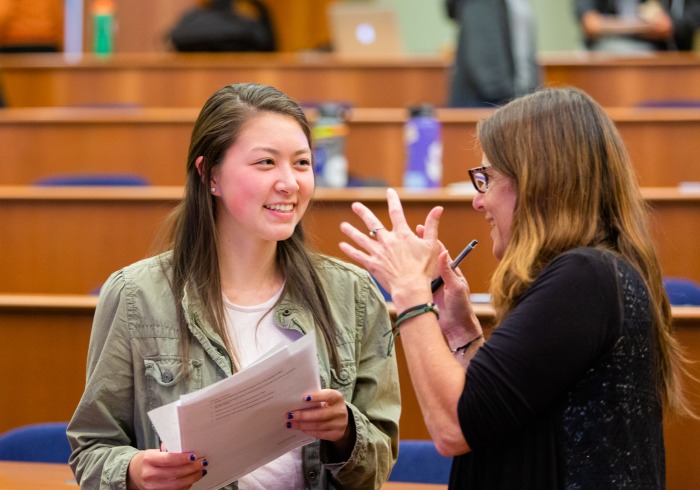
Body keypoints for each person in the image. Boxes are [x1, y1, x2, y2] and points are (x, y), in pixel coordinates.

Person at [339, 87, 693, 488]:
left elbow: (453, 427)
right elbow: (496, 408)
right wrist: (461, 332)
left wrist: (408, 292)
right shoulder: (592, 273)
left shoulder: (584, 278)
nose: (477, 200)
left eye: (485, 178)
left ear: (538, 180)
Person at [67, 83, 400, 489]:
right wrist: (136, 473)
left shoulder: (354, 294)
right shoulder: (136, 295)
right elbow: (92, 449)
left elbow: (378, 465)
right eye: (265, 163)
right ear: (210, 176)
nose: (290, 183)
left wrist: (346, 432)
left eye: (301, 163)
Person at [445, 0, 540, 107]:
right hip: (491, 104)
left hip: (514, 102)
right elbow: (486, 65)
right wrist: (511, 102)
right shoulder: (481, 3)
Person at [575, 0, 676, 51]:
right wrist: (647, 26)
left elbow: (664, 27)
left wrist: (605, 24)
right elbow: (591, 25)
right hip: (601, 49)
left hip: (650, 51)